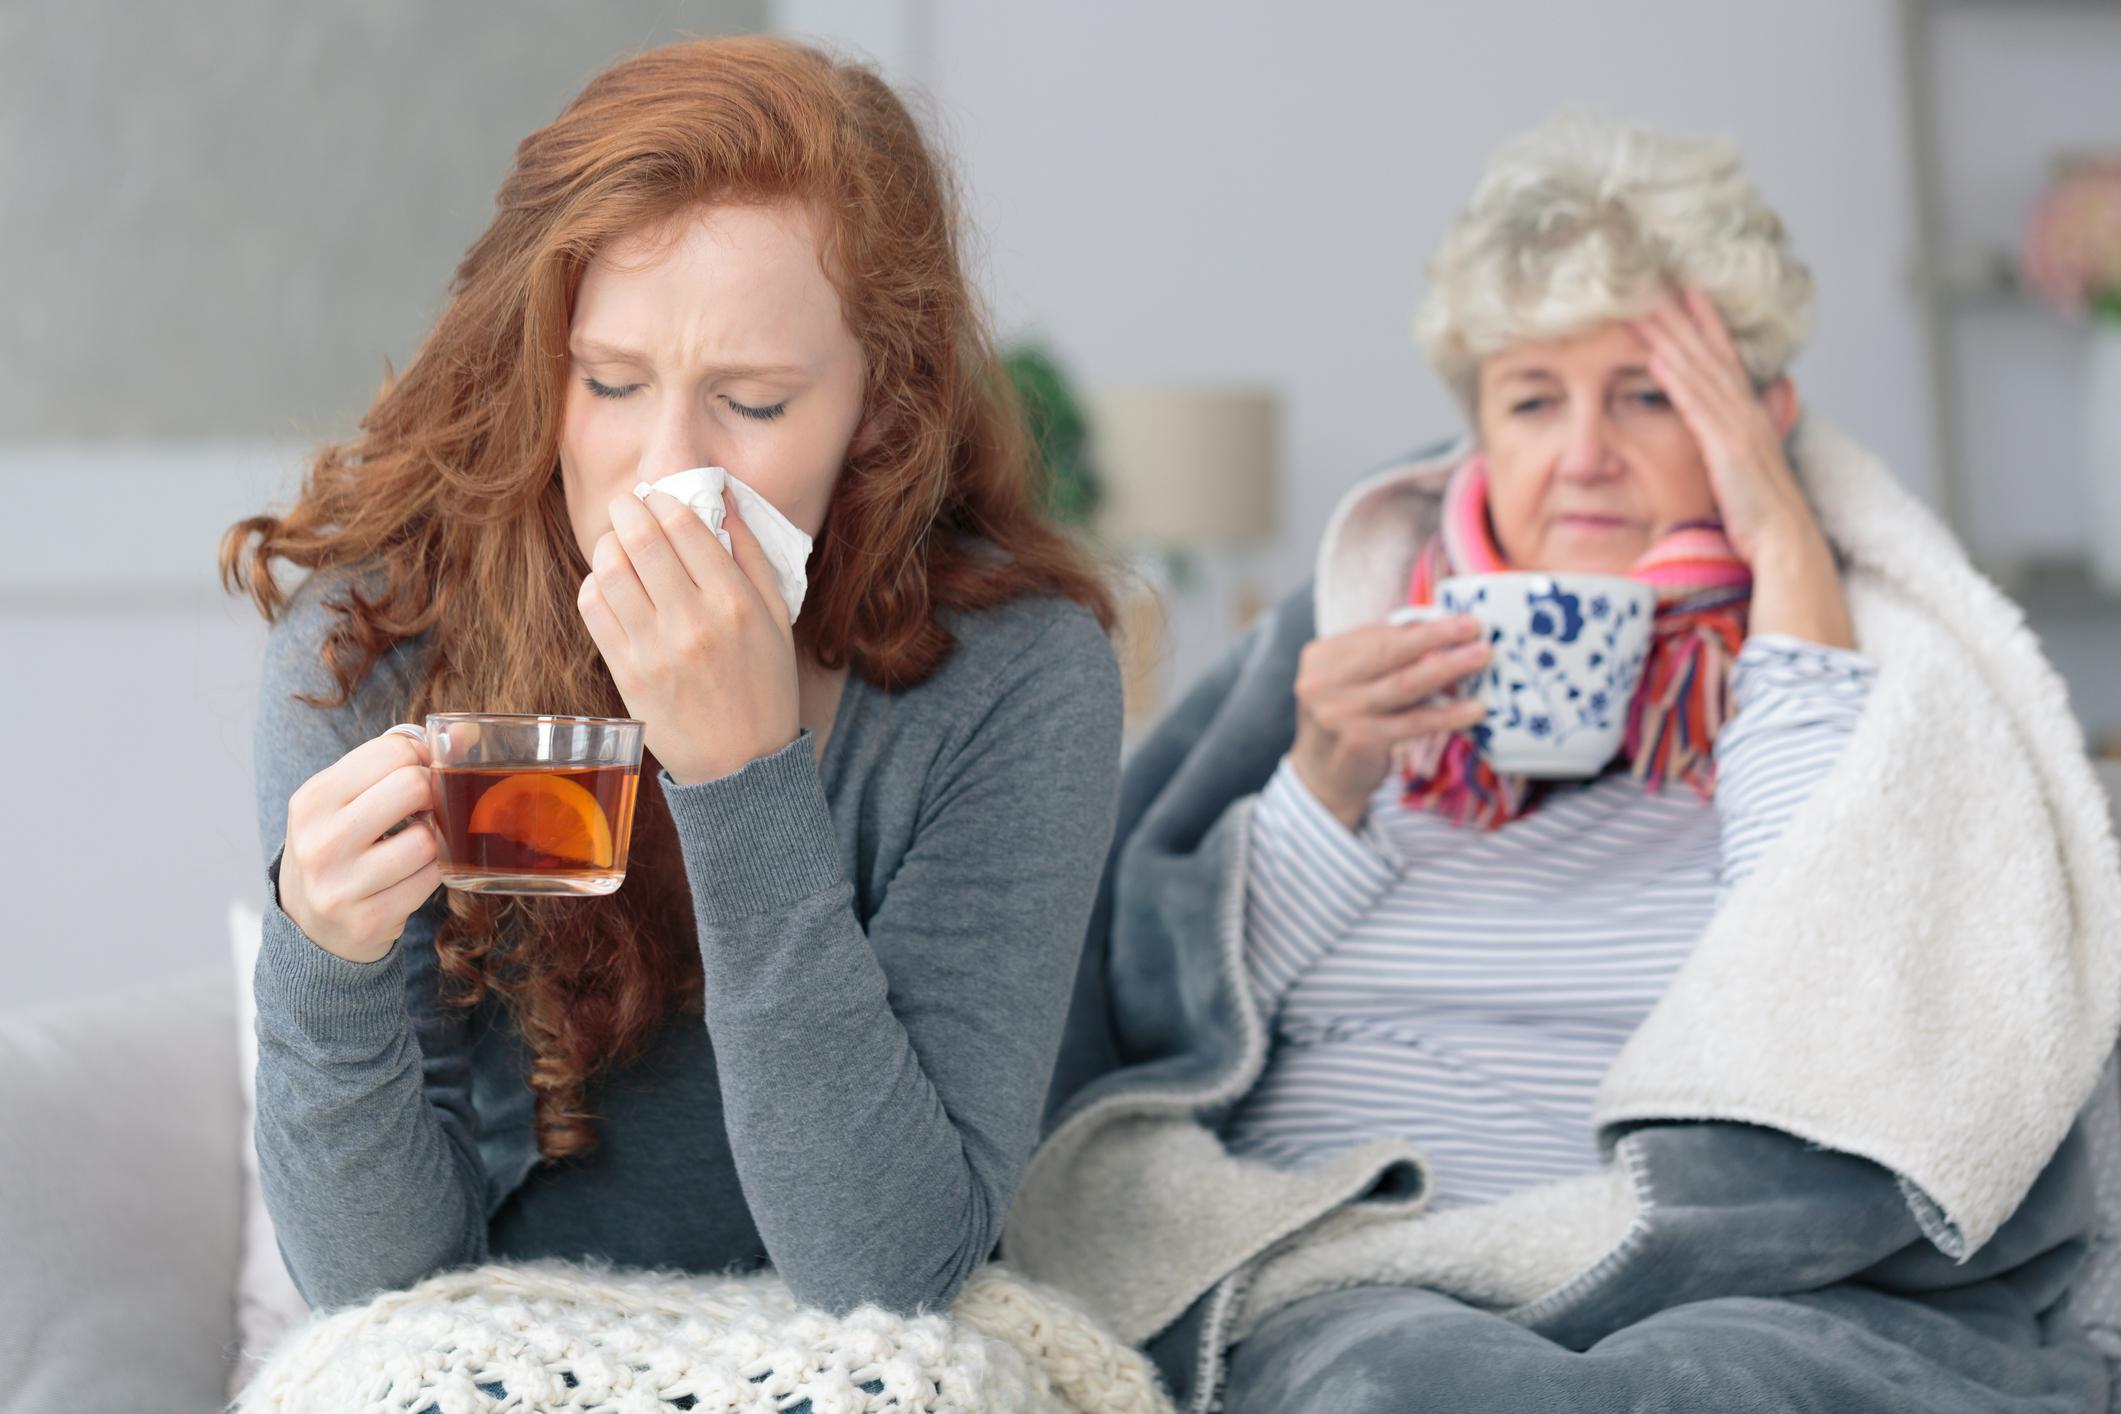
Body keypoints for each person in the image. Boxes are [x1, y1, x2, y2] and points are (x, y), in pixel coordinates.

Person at [1004, 112, 2121, 1413]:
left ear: (1754, 420)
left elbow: (1827, 980)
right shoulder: (1355, 651)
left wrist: (1787, 567)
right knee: (1414, 1381)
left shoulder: (1833, 675)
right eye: (1534, 399)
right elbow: (1171, 1025)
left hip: (1708, 1274)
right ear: (1477, 429)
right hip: (1361, 1256)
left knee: (1708, 1380)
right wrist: (1324, 790)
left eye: (1649, 394)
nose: (1585, 451)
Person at [222, 35, 1122, 1319]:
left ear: (881, 408)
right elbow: (376, 1292)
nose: (663, 469)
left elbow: (895, 1269)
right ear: (543, 365)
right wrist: (323, 959)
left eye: (752, 402)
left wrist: (745, 779)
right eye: (611, 383)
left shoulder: (1015, 679)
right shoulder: (374, 642)